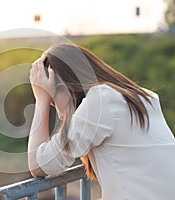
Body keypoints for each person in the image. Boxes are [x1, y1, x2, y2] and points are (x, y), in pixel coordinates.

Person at [28, 43, 175, 200]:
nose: (58, 113)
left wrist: (41, 100)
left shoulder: (101, 100)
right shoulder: (143, 97)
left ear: (65, 86)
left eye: (52, 100)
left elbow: (39, 166)